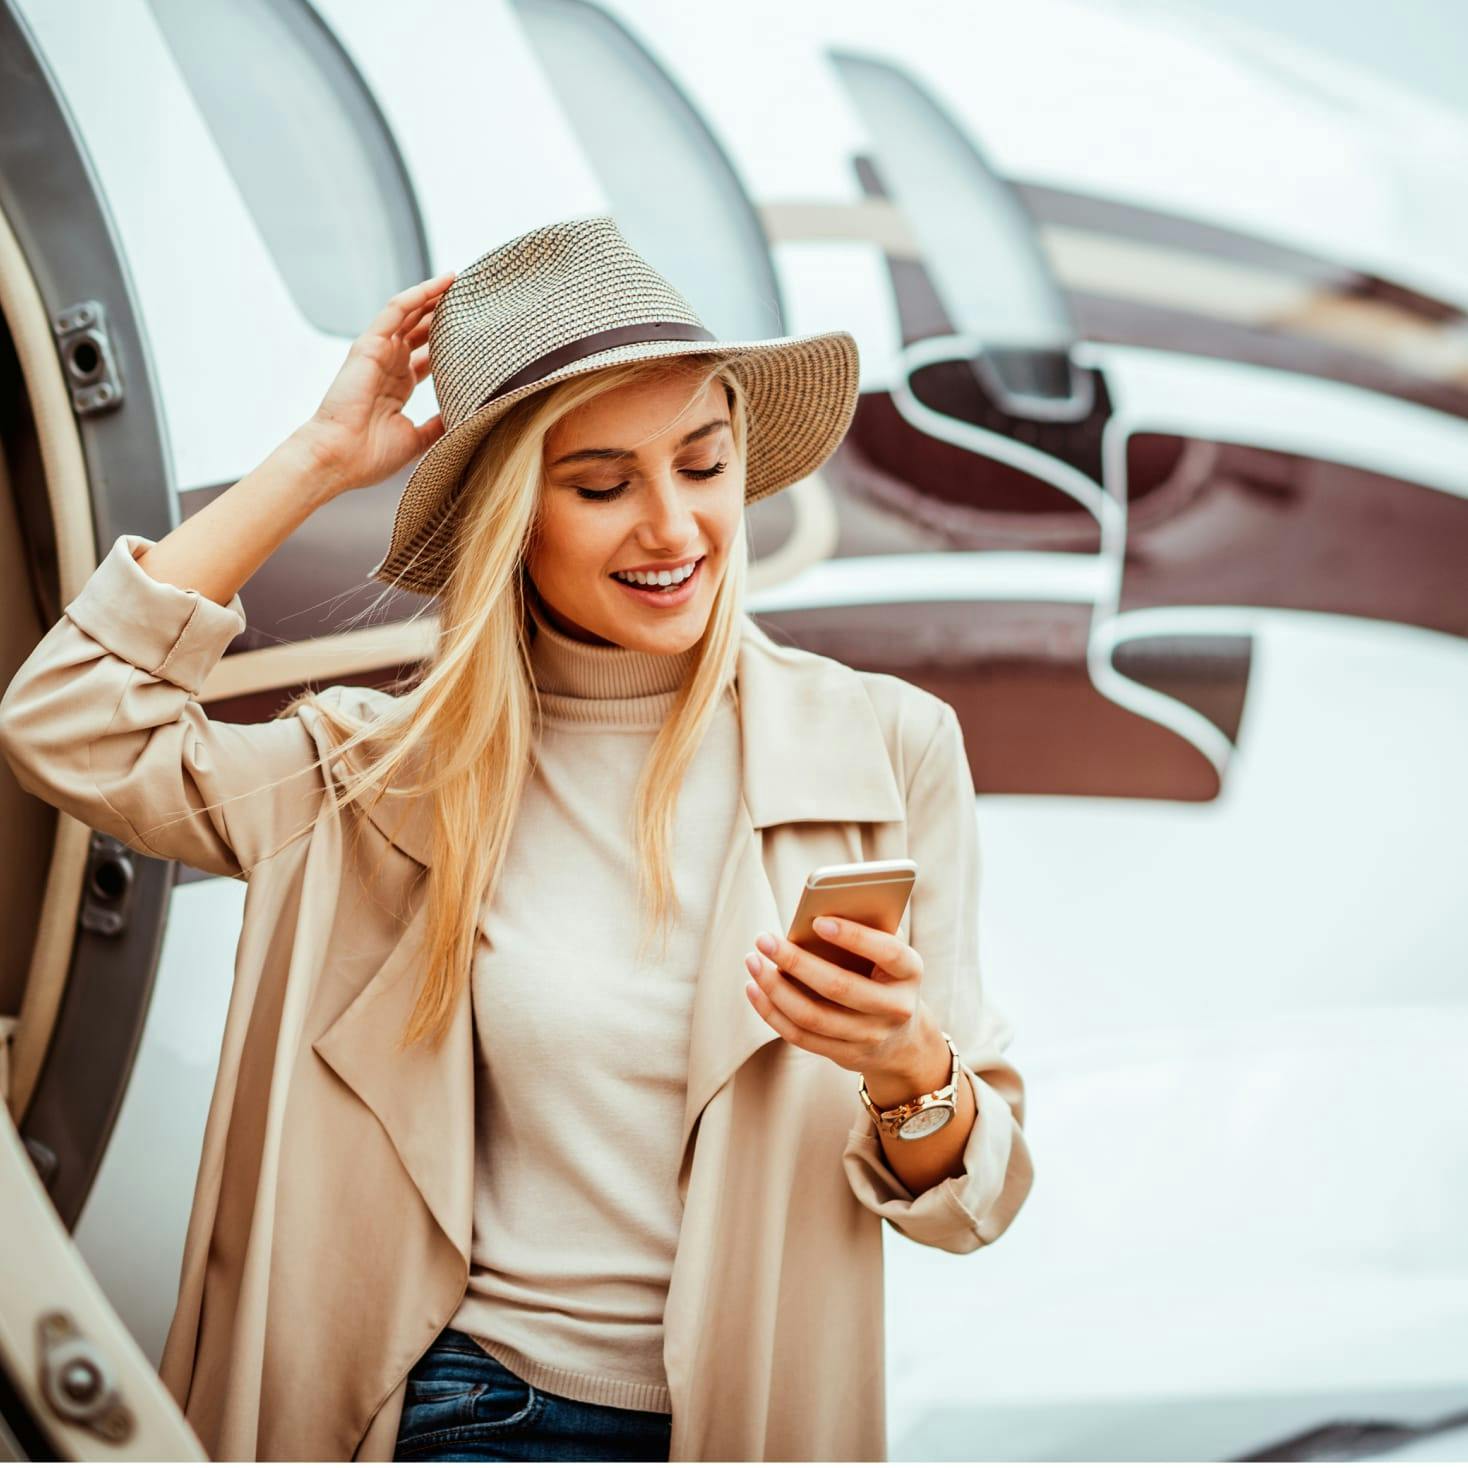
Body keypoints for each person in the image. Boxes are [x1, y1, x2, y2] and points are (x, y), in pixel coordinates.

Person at [0, 215, 1034, 1462]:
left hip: (758, 1427)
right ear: (513, 520)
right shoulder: (380, 775)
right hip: (477, 1416)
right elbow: (70, 723)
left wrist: (907, 1062)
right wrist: (323, 456)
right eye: (601, 485)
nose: (673, 528)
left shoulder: (886, 747)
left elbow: (974, 1204)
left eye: (703, 465)